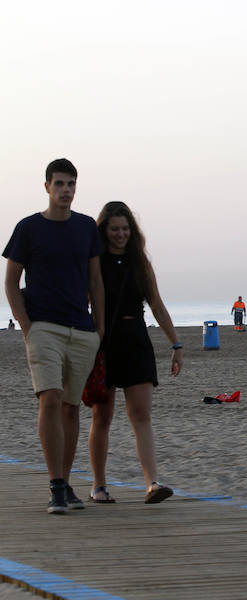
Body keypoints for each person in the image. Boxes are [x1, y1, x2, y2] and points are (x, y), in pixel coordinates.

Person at [2, 158, 104, 514]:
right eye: (59, 184)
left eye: (71, 184)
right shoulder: (28, 228)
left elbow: (95, 281)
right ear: (47, 187)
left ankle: (66, 481)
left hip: (82, 329)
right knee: (50, 398)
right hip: (43, 326)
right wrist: (27, 325)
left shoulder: (86, 227)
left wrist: (99, 327)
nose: (65, 190)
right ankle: (56, 485)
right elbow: (11, 282)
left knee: (72, 407)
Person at [87, 201, 183, 505]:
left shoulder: (139, 262)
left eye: (125, 228)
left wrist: (176, 343)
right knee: (102, 416)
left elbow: (156, 304)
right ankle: (99, 485)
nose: (120, 234)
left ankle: (152, 483)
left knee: (141, 414)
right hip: (104, 343)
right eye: (114, 229)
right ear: (104, 230)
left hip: (136, 341)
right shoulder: (94, 261)